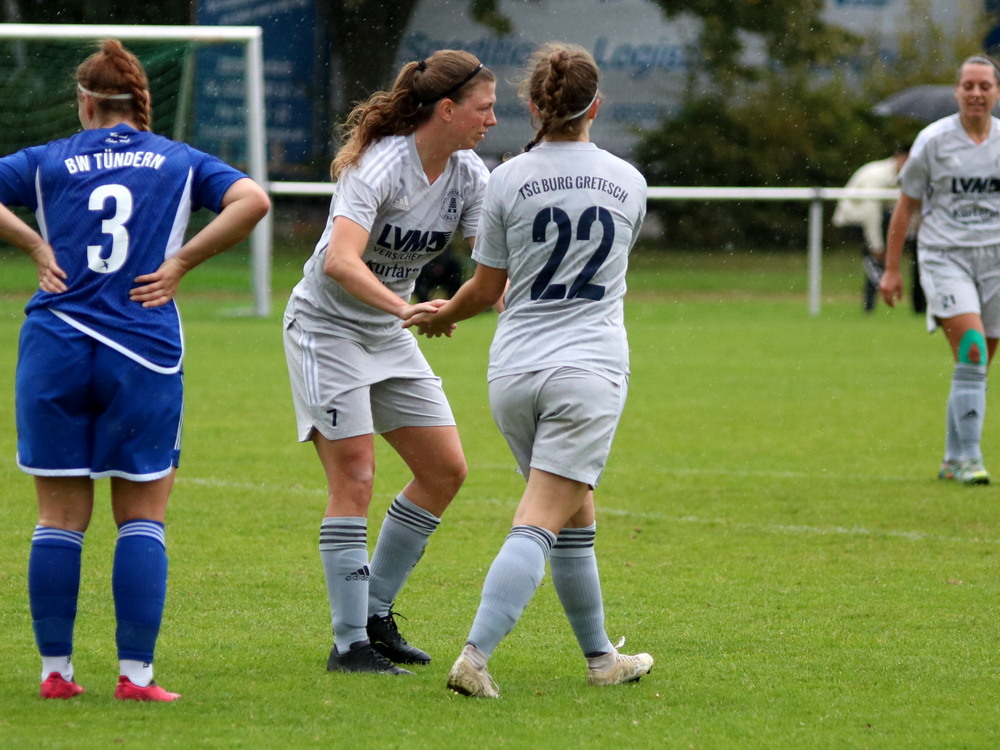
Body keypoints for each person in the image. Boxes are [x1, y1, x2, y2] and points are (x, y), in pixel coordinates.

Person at [0, 40, 270, 701]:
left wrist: (34, 242)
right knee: (142, 515)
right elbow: (254, 201)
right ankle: (136, 676)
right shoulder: (179, 160)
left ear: (86, 103)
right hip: (141, 351)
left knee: (59, 517)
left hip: (56, 346)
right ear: (140, 104)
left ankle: (56, 674)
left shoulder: (48, 159)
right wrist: (180, 264)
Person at [404, 42, 654, 698]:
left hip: (513, 373)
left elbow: (486, 292)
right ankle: (475, 656)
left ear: (535, 105)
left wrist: (438, 316)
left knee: (576, 514)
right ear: (595, 105)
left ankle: (602, 659)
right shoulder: (628, 180)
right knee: (543, 516)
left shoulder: (507, 178)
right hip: (588, 371)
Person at [282, 50, 496, 675]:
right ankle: (349, 645)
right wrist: (407, 309)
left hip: (387, 330)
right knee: (355, 476)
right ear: (448, 109)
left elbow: (490, 271)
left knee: (444, 470)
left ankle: (375, 613)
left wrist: (460, 306)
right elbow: (339, 262)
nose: (491, 121)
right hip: (325, 330)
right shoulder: (380, 165)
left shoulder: (469, 174)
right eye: (483, 109)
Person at [881, 54, 1000, 485]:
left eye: (984, 86)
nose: (976, 93)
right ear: (957, 91)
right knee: (971, 349)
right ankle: (969, 457)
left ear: (996, 92)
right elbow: (905, 205)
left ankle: (952, 457)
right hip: (945, 256)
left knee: (978, 363)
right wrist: (892, 270)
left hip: (995, 261)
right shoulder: (933, 141)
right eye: (968, 85)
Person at [832, 148, 909, 313]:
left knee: (879, 260)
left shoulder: (897, 177)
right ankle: (872, 304)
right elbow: (870, 212)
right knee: (875, 260)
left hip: (873, 220)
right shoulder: (877, 175)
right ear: (899, 158)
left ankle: (872, 304)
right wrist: (877, 246)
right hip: (854, 220)